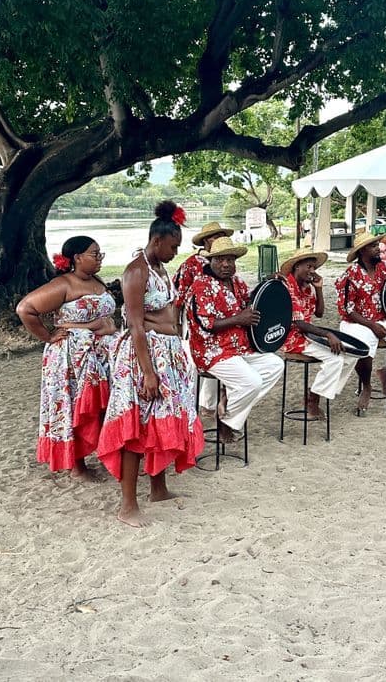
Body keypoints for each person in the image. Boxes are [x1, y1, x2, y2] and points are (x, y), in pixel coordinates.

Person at [97, 201, 204, 527]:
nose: (175, 252)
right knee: (136, 426)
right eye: (173, 246)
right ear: (157, 240)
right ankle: (127, 505)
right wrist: (147, 372)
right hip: (145, 355)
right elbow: (136, 324)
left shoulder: (160, 268)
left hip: (168, 353)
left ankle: (159, 488)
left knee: (160, 421)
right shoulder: (137, 271)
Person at [16, 237, 117, 480]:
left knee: (102, 406)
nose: (99, 258)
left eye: (100, 253)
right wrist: (48, 336)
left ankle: (106, 453)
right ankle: (77, 466)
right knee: (73, 405)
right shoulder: (63, 285)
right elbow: (25, 309)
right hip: (71, 359)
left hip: (99, 358)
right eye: (94, 254)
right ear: (77, 258)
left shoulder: (98, 281)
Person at [186, 236, 284, 444]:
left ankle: (228, 408)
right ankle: (227, 421)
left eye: (230, 260)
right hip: (212, 350)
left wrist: (268, 284)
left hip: (240, 347)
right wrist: (239, 319)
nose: (226, 264)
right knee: (252, 382)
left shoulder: (237, 282)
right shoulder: (201, 285)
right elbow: (207, 323)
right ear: (210, 261)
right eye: (220, 259)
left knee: (275, 364)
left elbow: (249, 302)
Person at [335, 231, 386, 415]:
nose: (378, 249)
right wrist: (371, 325)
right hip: (355, 322)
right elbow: (348, 309)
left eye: (377, 245)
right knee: (365, 343)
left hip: (381, 319)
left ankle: (384, 372)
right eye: (373, 247)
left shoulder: (385, 268)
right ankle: (366, 386)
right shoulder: (351, 275)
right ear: (362, 251)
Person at [173, 221, 234, 418]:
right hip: (196, 317)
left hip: (221, 317)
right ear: (207, 240)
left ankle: (209, 403)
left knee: (219, 356)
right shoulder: (193, 264)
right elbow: (179, 295)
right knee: (194, 361)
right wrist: (177, 323)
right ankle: (190, 406)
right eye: (216, 237)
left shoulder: (225, 262)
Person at [280, 249, 345, 420]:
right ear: (297, 267)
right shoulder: (287, 286)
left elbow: (320, 313)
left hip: (307, 335)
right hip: (292, 338)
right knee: (335, 358)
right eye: (308, 266)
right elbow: (299, 323)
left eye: (314, 267)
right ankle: (313, 398)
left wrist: (319, 289)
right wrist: (327, 334)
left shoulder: (308, 288)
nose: (312, 271)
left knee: (344, 353)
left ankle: (314, 394)